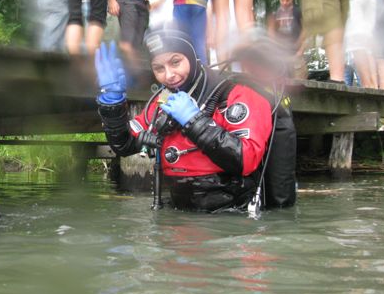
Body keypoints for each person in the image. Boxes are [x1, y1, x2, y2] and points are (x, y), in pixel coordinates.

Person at [94, 30, 297, 212]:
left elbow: (245, 159)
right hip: (180, 219)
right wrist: (112, 104)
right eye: (159, 68)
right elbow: (124, 144)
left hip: (233, 218)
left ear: (192, 56)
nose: (169, 75)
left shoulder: (238, 95)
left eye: (175, 62)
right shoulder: (162, 103)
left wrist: (193, 120)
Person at [267, 0, 304, 77]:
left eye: (287, 0)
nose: (284, 3)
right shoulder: (275, 13)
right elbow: (271, 32)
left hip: (295, 54)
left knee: (299, 83)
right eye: (282, 0)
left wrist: (301, 50)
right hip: (280, 54)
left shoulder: (298, 11)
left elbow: (306, 30)